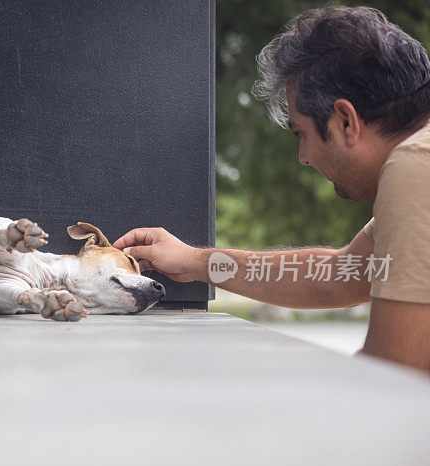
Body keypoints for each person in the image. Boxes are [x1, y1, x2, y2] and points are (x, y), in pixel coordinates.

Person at [115, 7, 430, 372]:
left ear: (346, 121)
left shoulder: (415, 165)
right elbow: (341, 275)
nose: (304, 157)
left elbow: (392, 375)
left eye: (302, 133)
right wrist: (194, 261)